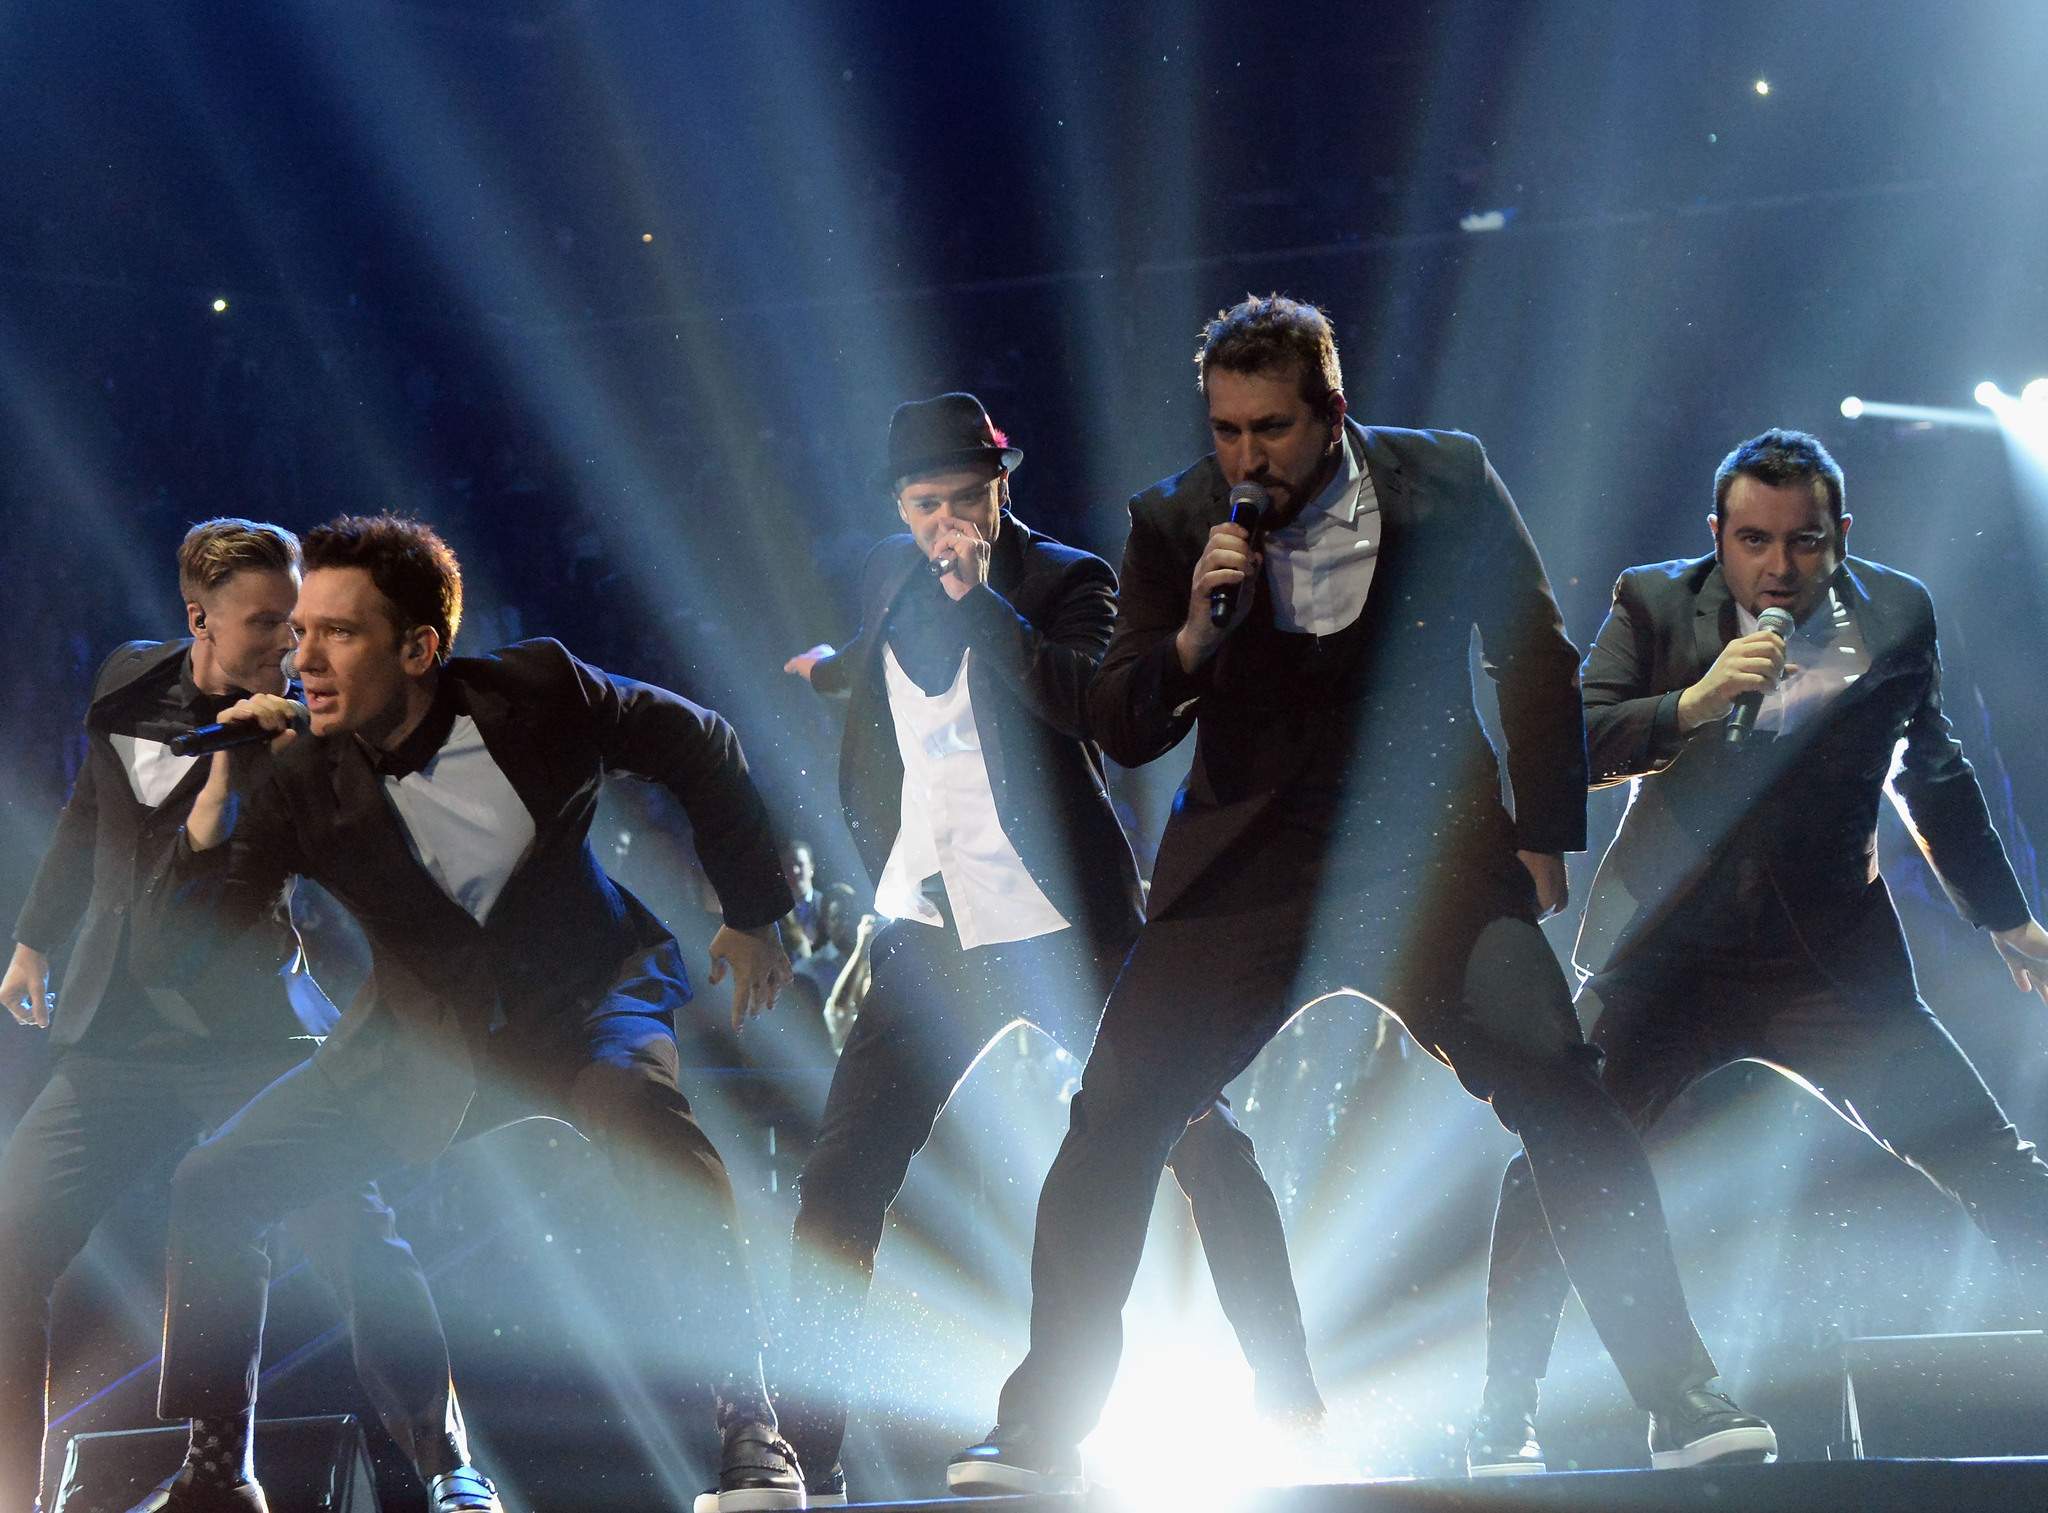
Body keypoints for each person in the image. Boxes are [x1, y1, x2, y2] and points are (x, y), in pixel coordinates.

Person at [948, 296, 1774, 1495]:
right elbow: (1122, 724)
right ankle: (1038, 1421)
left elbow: (1529, 650)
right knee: (1112, 1119)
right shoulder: (1175, 522)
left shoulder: (1444, 482)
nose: (1243, 455)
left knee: (1559, 1076)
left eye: (1269, 428)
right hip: (1245, 867)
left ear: (1330, 410)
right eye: (1225, 429)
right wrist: (1191, 635)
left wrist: (1542, 834)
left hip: (1424, 860)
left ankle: (1675, 1390)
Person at [128, 516, 806, 1513]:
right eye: (298, 630)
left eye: (335, 634)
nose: (298, 655)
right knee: (214, 1183)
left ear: (419, 648)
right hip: (419, 1037)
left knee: (649, 1128)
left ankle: (750, 1428)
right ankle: (217, 1469)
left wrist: (751, 913)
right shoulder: (297, 778)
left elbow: (698, 743)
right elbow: (177, 954)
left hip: (582, 998)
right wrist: (219, 790)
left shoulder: (537, 693)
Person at [1471, 429, 2048, 1475]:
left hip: (1823, 961)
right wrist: (1692, 704)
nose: (1776, 568)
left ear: (1839, 535)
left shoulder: (1897, 612)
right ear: (1716, 537)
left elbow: (1934, 769)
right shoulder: (1652, 603)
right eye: (1752, 541)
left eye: (1803, 542)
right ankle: (1500, 1410)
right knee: (1557, 1161)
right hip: (1666, 952)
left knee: (1984, 1156)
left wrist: (2004, 918)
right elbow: (1572, 739)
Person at [783, 393, 1321, 1505]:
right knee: (840, 1176)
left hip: (1067, 923)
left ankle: (1287, 1392)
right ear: (899, 505)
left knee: (1197, 1147)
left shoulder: (1067, 579)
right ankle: (803, 1448)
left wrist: (981, 604)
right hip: (934, 936)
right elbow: (896, 674)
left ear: (1000, 489)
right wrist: (837, 667)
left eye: (961, 501)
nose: (942, 524)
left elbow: (1087, 703)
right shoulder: (888, 585)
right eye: (922, 505)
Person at [0, 519, 480, 1513]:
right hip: (118, 1035)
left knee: (354, 1238)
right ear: (198, 621)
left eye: (299, 621)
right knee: (11, 1247)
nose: (289, 643)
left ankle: (446, 1469)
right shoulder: (128, 682)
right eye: (266, 622)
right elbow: (92, 817)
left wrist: (273, 746)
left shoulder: (313, 725)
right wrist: (35, 939)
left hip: (252, 1028)